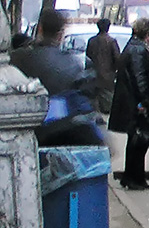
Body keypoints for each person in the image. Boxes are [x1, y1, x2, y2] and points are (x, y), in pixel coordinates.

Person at [12, 9, 103, 146]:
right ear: (60, 34)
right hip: (66, 135)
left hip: (30, 134)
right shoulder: (74, 63)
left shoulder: (19, 59)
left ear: (40, 29)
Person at [108, 17, 149, 190]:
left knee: (137, 139)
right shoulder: (138, 50)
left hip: (134, 101)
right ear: (147, 34)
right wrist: (145, 101)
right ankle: (134, 178)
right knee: (139, 140)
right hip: (137, 103)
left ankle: (134, 177)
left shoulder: (134, 47)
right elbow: (139, 76)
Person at [85, 17, 121, 115]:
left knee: (95, 98)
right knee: (107, 100)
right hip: (108, 75)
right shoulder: (111, 41)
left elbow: (88, 58)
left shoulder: (91, 41)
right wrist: (116, 70)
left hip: (93, 74)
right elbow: (117, 58)